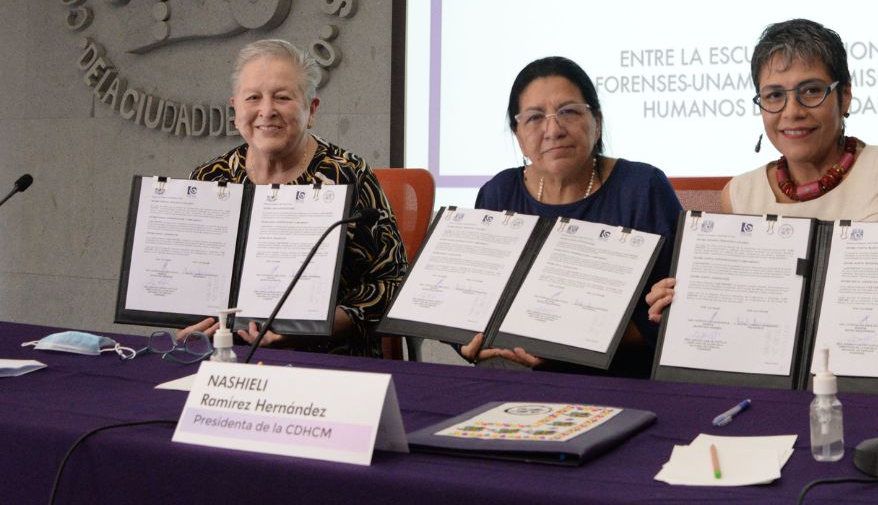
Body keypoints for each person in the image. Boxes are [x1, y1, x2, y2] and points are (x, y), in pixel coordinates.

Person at [645, 19, 878, 400]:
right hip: (776, 398)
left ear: (845, 96)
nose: (792, 111)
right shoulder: (738, 195)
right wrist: (687, 301)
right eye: (773, 96)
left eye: (811, 91)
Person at [180, 39, 407, 358]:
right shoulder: (210, 179)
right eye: (253, 98)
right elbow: (189, 279)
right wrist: (188, 318)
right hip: (225, 354)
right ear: (236, 110)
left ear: (311, 110)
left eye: (283, 97)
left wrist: (312, 329)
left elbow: (391, 283)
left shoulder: (347, 175)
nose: (266, 110)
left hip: (329, 357)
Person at [461, 56, 683, 378]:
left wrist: (569, 346)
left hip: (622, 383)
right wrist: (466, 340)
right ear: (518, 134)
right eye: (535, 118)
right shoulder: (497, 194)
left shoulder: (642, 188)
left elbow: (673, 314)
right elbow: (467, 299)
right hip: (515, 381)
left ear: (597, 123)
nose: (553, 130)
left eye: (568, 112)